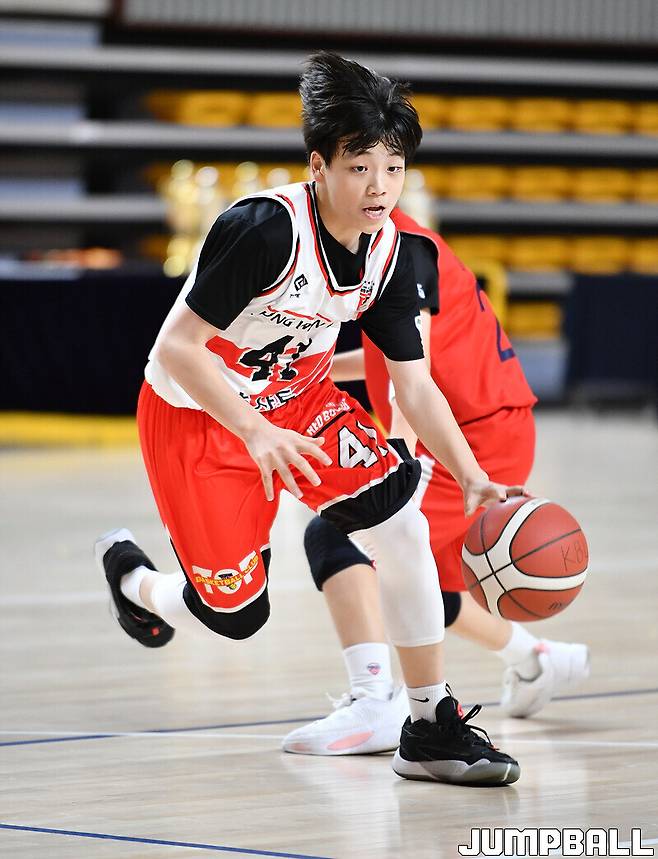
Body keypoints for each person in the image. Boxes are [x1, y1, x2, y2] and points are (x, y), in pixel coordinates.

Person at [95, 52, 523, 786]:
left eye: (393, 168)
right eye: (360, 168)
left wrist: (472, 474)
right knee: (234, 613)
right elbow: (177, 348)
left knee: (401, 518)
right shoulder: (262, 229)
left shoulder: (393, 254)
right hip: (196, 416)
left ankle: (429, 724)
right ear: (319, 165)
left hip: (302, 401)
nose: (379, 187)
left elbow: (414, 386)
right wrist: (253, 430)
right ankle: (134, 580)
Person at [281, 208, 590, 756]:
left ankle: (375, 699)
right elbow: (386, 354)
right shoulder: (377, 239)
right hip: (490, 427)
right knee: (425, 586)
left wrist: (399, 451)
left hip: (469, 437)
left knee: (341, 532)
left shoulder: (399, 246)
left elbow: (413, 364)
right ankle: (536, 660)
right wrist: (309, 372)